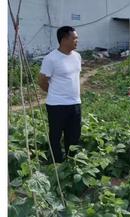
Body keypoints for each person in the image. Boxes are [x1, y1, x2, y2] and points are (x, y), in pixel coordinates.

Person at [38, 26, 82, 163]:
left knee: (74, 136)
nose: (77, 40)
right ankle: (57, 163)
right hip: (56, 105)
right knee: (55, 136)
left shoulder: (77, 56)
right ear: (64, 39)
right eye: (74, 38)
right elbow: (42, 81)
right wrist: (56, 93)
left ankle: (71, 162)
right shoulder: (51, 59)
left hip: (75, 103)